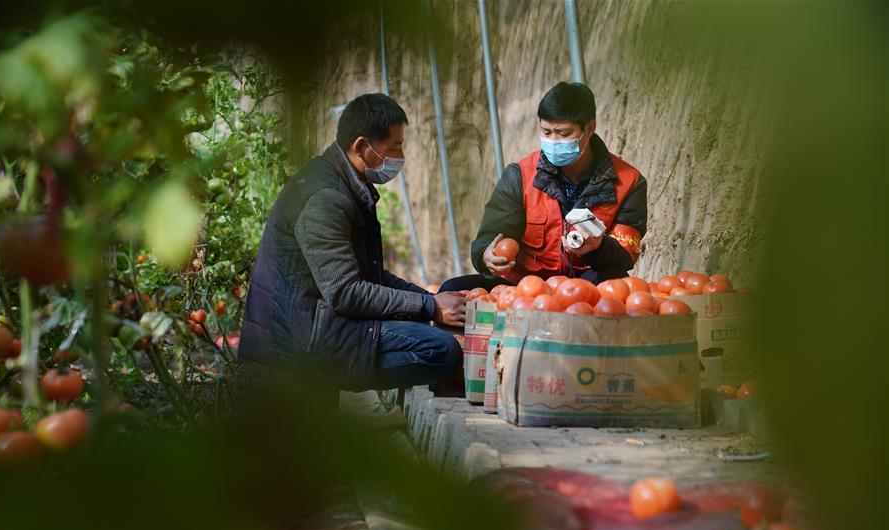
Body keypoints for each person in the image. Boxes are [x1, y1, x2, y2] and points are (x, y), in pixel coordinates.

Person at [239, 93, 465, 391]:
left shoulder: (346, 184)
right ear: (361, 146)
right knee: (441, 350)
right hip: (302, 341)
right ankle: (325, 379)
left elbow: (369, 275)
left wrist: (428, 300)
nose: (401, 157)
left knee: (428, 327)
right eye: (395, 146)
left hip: (321, 322)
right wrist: (428, 306)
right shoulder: (326, 199)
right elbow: (345, 292)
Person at [441, 82, 647, 292]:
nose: (554, 141)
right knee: (453, 288)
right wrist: (486, 254)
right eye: (547, 132)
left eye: (563, 133)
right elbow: (491, 234)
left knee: (615, 282)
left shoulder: (629, 181)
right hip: (523, 285)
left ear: (590, 128)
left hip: (584, 286)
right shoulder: (520, 176)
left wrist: (599, 247)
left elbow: (626, 254)